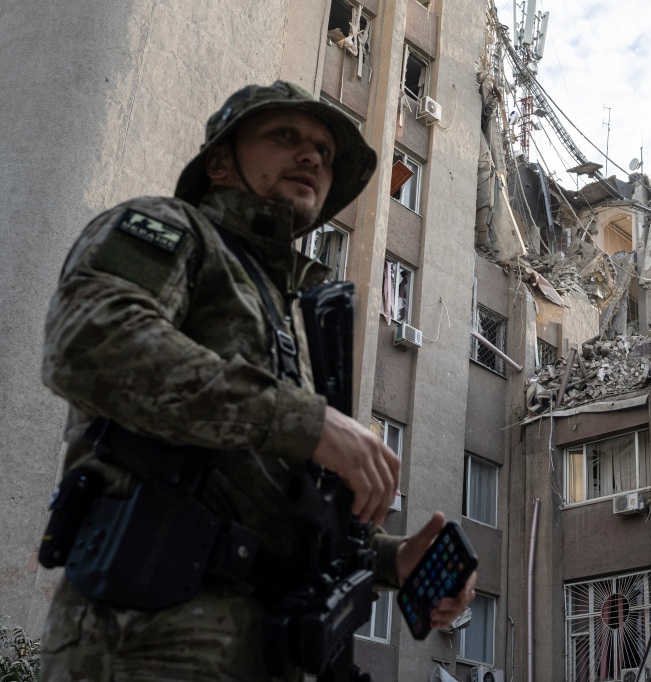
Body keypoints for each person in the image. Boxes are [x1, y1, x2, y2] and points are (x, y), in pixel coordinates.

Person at [38, 81, 476, 681]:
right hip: (145, 640)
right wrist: (308, 421)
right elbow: (92, 346)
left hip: (264, 651)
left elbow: (274, 501)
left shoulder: (290, 312)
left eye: (323, 151)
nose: (312, 158)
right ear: (219, 162)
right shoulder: (170, 230)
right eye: (285, 137)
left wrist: (392, 559)